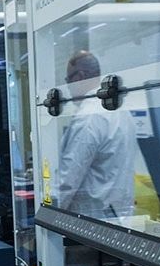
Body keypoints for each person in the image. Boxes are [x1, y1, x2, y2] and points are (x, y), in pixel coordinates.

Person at [56, 50, 139, 218]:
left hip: (92, 220)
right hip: (121, 216)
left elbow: (68, 181)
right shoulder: (121, 110)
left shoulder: (88, 117)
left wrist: (48, 218)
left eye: (67, 80)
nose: (68, 87)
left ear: (79, 77)